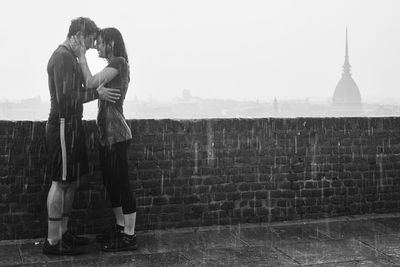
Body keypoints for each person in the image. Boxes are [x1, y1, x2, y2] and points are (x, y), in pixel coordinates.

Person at [43, 17, 121, 255]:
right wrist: (96, 93)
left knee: (73, 181)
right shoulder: (62, 57)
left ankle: (64, 233)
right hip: (63, 125)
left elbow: (78, 90)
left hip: (73, 125)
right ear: (79, 34)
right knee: (60, 181)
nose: (91, 45)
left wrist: (92, 89)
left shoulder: (71, 57)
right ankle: (53, 241)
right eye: (90, 39)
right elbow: (67, 99)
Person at [70, 27, 138, 252]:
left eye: (100, 42)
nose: (97, 47)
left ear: (110, 43)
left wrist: (80, 56)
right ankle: (120, 227)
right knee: (111, 184)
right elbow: (93, 85)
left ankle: (129, 235)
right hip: (106, 137)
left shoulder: (118, 63)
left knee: (122, 184)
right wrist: (98, 90)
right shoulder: (112, 66)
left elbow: (89, 83)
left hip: (117, 135)